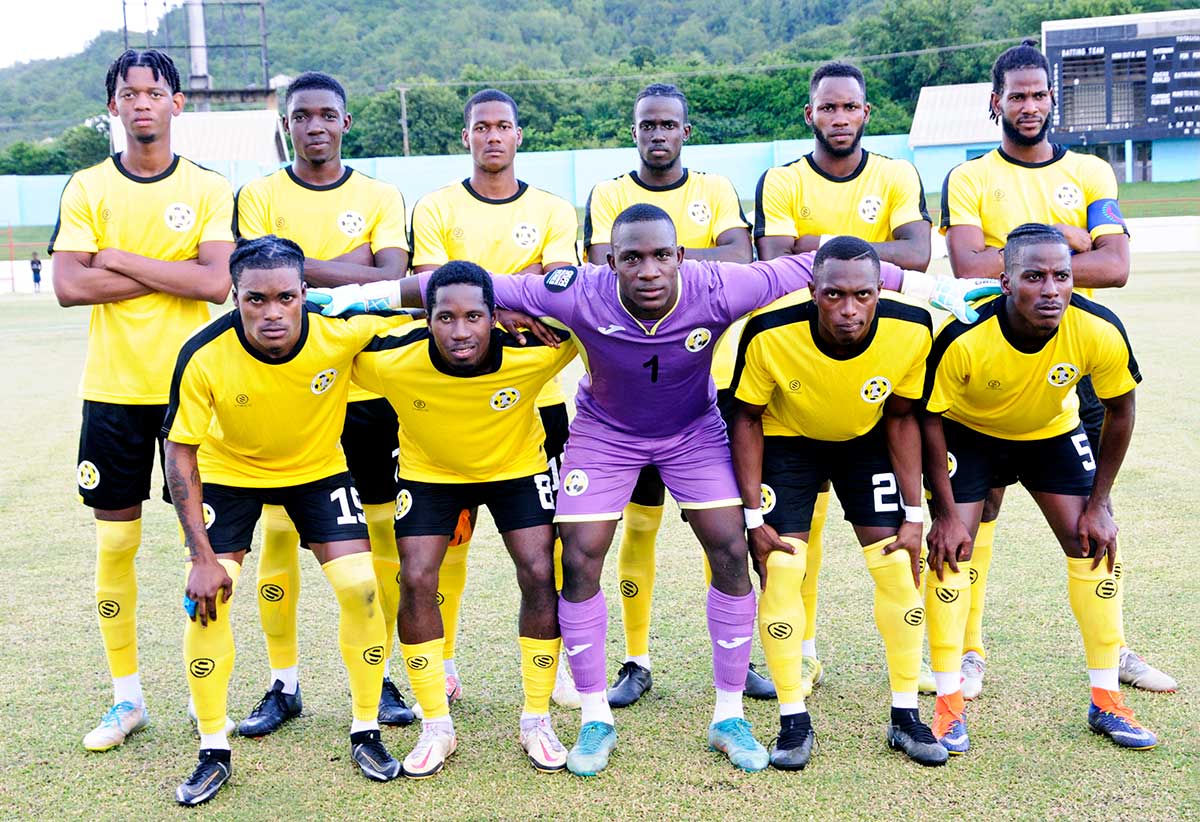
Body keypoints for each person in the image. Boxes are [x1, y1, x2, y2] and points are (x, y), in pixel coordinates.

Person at [311, 203, 1001, 776]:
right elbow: (470, 283)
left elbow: (812, 268)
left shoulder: (719, 287)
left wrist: (932, 288)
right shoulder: (573, 289)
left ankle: (729, 714)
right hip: (604, 433)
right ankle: (591, 717)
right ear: (609, 261)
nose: (647, 270)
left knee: (732, 550)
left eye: (660, 256)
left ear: (680, 256)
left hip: (694, 431)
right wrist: (353, 298)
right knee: (577, 557)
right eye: (631, 258)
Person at [940, 39, 1174, 699]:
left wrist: (1020, 251)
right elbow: (969, 266)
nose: (1030, 105)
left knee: (1092, 517)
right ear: (996, 103)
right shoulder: (970, 177)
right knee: (974, 513)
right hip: (989, 367)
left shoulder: (1094, 173)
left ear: (1053, 100)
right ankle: (966, 653)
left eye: (1040, 94)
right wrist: (1070, 239)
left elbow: (1117, 268)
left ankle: (1114, 648)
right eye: (1017, 95)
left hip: (1075, 368)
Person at [164, 236, 414, 805]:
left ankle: (365, 728)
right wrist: (201, 557)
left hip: (318, 470)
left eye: (285, 298)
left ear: (306, 294)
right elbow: (180, 452)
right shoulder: (204, 353)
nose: (271, 313)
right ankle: (213, 749)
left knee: (362, 590)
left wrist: (512, 307)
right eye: (254, 300)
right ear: (234, 296)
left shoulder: (340, 331)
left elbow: (433, 314)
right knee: (206, 603)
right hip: (230, 474)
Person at [50, 49, 234, 752]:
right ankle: (126, 698)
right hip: (114, 391)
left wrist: (118, 258)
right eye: (129, 93)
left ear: (177, 103)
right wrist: (174, 272)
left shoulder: (210, 187)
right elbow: (70, 286)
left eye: (155, 92)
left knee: (208, 544)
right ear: (114, 106)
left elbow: (214, 283)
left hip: (193, 392)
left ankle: (202, 693)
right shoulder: (89, 186)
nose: (142, 103)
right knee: (117, 541)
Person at [921, 223, 1158, 754]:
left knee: (1093, 543)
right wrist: (943, 512)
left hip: (1051, 433)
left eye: (1062, 276)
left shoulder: (1097, 329)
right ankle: (947, 706)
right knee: (951, 551)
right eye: (1034, 276)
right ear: (1005, 281)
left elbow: (1122, 410)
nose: (1050, 289)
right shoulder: (963, 335)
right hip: (969, 434)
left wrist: (1100, 503)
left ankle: (1107, 701)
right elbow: (929, 419)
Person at [235, 70, 415, 734]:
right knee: (280, 538)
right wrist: (356, 266)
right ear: (286, 124)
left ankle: (383, 672)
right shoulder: (257, 194)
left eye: (326, 115)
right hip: (291, 388)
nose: (314, 125)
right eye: (301, 115)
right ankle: (284, 684)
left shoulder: (379, 192)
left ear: (346, 122)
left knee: (379, 538)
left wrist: (307, 267)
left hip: (367, 388)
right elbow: (263, 279)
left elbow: (396, 282)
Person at [583, 82, 772, 706]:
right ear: (634, 131)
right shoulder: (609, 193)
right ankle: (636, 660)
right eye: (646, 126)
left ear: (685, 130)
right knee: (635, 530)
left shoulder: (715, 188)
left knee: (721, 536)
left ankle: (738, 665)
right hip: (622, 398)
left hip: (701, 396)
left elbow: (740, 259)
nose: (657, 134)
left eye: (668, 124)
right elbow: (601, 272)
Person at [350, 261, 578, 777]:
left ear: (495, 315)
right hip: (431, 472)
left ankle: (536, 719)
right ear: (424, 318)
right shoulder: (393, 359)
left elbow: (588, 305)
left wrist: (531, 305)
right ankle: (436, 725)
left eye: (474, 316)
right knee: (415, 578)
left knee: (541, 572)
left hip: (515, 467)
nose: (460, 331)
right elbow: (329, 334)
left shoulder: (533, 347)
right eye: (445, 317)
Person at [730, 236, 947, 770]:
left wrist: (915, 514)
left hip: (865, 439)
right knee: (781, 570)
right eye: (833, 296)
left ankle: (904, 717)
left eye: (862, 295)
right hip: (787, 440)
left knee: (899, 567)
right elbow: (746, 419)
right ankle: (792, 719)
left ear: (879, 291)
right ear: (811, 291)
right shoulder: (769, 333)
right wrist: (753, 516)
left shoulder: (911, 328)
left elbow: (901, 416)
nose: (848, 310)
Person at [754, 61, 934, 696]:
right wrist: (857, 249)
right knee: (791, 547)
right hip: (798, 372)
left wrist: (824, 248)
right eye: (826, 108)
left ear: (864, 113)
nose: (838, 118)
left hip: (864, 375)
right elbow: (774, 263)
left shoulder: (894, 173)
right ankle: (798, 653)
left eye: (848, 108)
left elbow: (919, 255)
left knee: (888, 556)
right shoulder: (779, 178)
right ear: (811, 115)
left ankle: (910, 698)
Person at [409, 88, 580, 708]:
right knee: (449, 539)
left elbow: (558, 302)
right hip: (453, 398)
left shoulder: (555, 209)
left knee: (546, 547)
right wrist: (512, 304)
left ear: (519, 135)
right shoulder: (435, 207)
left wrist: (481, 308)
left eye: (503, 126)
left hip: (536, 398)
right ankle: (445, 660)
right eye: (481, 127)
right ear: (466, 136)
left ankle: (553, 667)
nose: (492, 137)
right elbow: (436, 297)